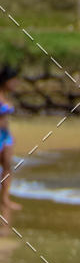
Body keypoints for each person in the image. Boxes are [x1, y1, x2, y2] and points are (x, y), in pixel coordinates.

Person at [0, 64, 21, 228]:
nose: (16, 84)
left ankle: (5, 199)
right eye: (13, 81)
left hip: (6, 136)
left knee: (7, 167)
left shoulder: (7, 96)